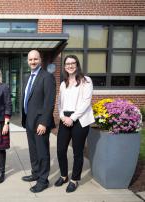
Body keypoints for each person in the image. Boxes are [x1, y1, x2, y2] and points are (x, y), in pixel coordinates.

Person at [55, 55, 95, 193]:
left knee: (78, 152)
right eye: (67, 64)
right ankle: (64, 175)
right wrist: (61, 116)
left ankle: (74, 179)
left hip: (80, 119)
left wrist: (72, 118)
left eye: (73, 63)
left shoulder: (86, 81)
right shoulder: (63, 83)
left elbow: (86, 102)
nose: (70, 66)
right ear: (65, 66)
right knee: (60, 149)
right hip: (64, 118)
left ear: (77, 65)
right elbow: (59, 103)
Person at [21, 49, 56, 193]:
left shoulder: (46, 77)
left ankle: (43, 180)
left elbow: (49, 102)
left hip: (40, 122)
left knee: (42, 152)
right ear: (27, 61)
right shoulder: (28, 77)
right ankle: (35, 173)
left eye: (35, 59)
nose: (33, 62)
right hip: (29, 121)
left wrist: (44, 122)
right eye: (30, 59)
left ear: (40, 60)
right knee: (33, 150)